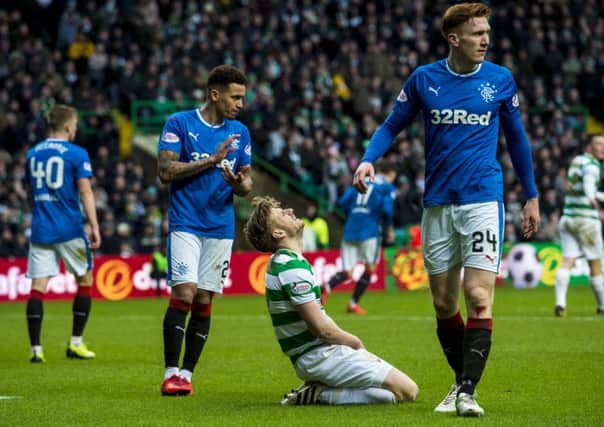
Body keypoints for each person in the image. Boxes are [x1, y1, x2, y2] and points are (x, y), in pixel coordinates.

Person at [352, 2, 540, 417]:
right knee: (443, 303)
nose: (485, 39)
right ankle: (461, 384)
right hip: (438, 202)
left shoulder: (500, 81)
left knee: (478, 296)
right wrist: (369, 158)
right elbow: (391, 125)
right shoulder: (425, 79)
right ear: (454, 38)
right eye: (477, 33)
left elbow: (517, 139)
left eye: (487, 32)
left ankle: (468, 392)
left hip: (483, 199)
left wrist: (531, 195)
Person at [243, 196, 418, 405]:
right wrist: (354, 342)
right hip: (320, 356)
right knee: (408, 392)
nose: (289, 209)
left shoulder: (282, 261)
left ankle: (320, 387)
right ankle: (319, 394)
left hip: (313, 355)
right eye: (281, 213)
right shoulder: (291, 268)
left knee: (388, 395)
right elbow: (321, 329)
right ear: (278, 233)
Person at [157, 64, 253, 396]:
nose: (240, 104)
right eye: (235, 97)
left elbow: (248, 181)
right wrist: (211, 161)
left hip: (220, 227)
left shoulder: (240, 132)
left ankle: (186, 374)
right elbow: (166, 171)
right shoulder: (179, 123)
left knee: (203, 297)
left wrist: (240, 184)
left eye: (243, 97)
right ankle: (170, 372)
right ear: (215, 94)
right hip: (186, 222)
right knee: (184, 292)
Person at [25, 104, 101, 363]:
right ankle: (75, 343)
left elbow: (29, 193)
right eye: (76, 125)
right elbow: (85, 191)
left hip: (40, 228)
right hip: (69, 228)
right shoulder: (77, 153)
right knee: (85, 280)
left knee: (38, 287)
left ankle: (36, 350)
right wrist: (95, 225)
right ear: (68, 127)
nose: (76, 129)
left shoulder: (32, 153)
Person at [323, 160, 397, 315]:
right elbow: (388, 211)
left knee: (347, 272)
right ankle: (353, 303)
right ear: (392, 174)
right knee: (370, 268)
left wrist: (354, 214)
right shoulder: (386, 187)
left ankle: (326, 288)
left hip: (350, 229)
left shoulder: (361, 180)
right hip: (370, 231)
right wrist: (388, 228)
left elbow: (342, 202)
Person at [555, 133, 604, 317]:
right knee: (595, 265)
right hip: (586, 221)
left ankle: (560, 304)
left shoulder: (577, 161)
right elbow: (589, 184)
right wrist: (592, 196)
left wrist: (595, 195)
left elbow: (582, 185)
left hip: (568, 218)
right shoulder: (592, 165)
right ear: (589, 147)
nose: (602, 147)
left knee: (567, 261)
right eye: (598, 144)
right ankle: (602, 306)